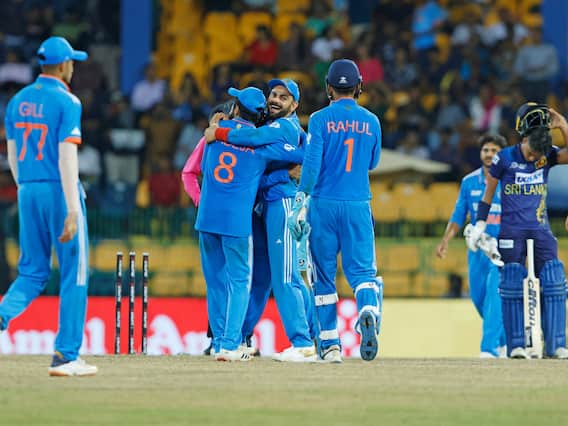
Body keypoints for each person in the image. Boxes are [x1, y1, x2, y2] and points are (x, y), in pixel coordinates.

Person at [0, 36, 97, 376]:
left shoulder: (17, 101)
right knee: (75, 272)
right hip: (59, 190)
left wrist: (26, 189)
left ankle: (2, 315)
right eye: (72, 62)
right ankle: (66, 356)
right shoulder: (68, 101)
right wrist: (72, 208)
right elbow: (67, 156)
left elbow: (13, 155)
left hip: (27, 189)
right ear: (63, 65)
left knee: (31, 272)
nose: (73, 68)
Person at [205, 78, 317, 362]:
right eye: (273, 94)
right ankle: (239, 337)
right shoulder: (268, 125)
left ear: (295, 105)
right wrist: (284, 171)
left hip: (282, 203)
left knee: (286, 276)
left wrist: (218, 132)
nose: (275, 99)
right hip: (263, 206)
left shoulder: (285, 128)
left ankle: (306, 340)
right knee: (261, 278)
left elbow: (263, 146)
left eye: (283, 97)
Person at [287, 59, 383, 362]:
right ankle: (368, 309)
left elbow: (311, 165)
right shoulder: (372, 121)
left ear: (328, 87)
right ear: (359, 86)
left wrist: (300, 200)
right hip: (358, 204)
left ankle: (330, 346)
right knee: (363, 272)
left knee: (324, 277)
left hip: (323, 204)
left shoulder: (318, 119)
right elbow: (373, 163)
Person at [467, 103, 568, 359]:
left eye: (538, 155)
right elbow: (488, 194)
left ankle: (556, 344)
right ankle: (516, 346)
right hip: (512, 231)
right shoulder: (504, 158)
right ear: (523, 140)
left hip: (541, 229)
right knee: (511, 281)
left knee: (555, 280)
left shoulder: (545, 155)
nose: (534, 159)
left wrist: (563, 125)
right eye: (531, 153)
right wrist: (480, 224)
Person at [436, 134, 507, 358]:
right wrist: (446, 240)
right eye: (486, 150)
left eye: (494, 150)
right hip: (477, 250)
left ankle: (489, 349)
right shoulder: (469, 182)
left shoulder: (509, 180)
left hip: (501, 250)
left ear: (502, 154)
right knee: (478, 299)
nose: (489, 154)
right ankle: (505, 341)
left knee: (495, 296)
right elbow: (459, 214)